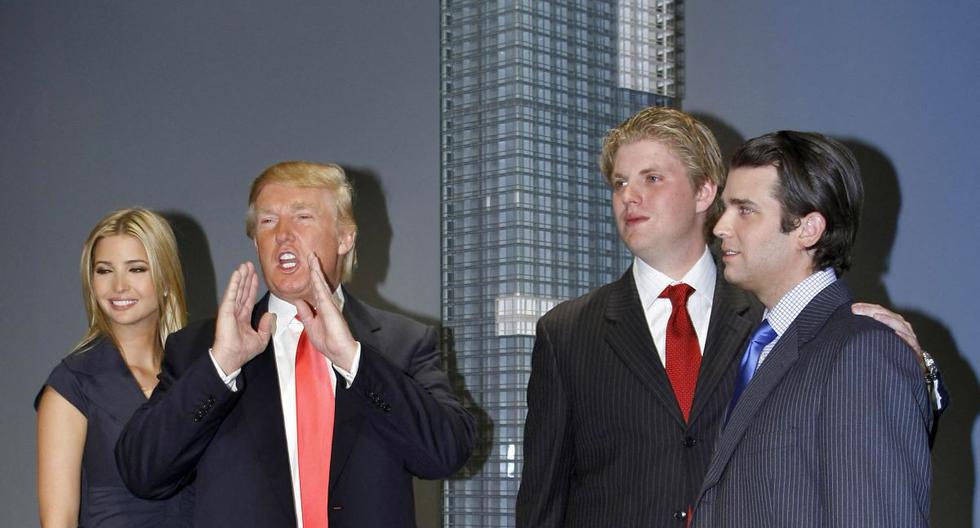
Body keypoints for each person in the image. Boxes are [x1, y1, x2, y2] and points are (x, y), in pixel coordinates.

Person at [515, 108, 936, 527]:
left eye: (652, 178)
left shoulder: (779, 322)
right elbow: (544, 499)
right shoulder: (566, 332)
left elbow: (868, 445)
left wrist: (920, 374)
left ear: (704, 193)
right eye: (619, 183)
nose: (629, 196)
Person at [116, 161, 475, 527]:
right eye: (268, 222)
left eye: (303, 217)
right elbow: (143, 473)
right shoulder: (199, 350)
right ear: (256, 240)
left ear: (345, 237)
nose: (283, 235)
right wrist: (221, 366)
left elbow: (445, 453)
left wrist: (353, 360)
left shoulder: (403, 342)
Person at [691, 131, 932, 526]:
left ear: (808, 229)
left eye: (744, 210)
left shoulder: (862, 351)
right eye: (724, 208)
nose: (720, 227)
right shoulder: (757, 349)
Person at [36, 208, 190, 527]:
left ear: (165, 280)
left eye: (136, 269)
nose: (118, 286)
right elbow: (57, 520)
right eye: (104, 271)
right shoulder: (72, 385)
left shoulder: (193, 377)